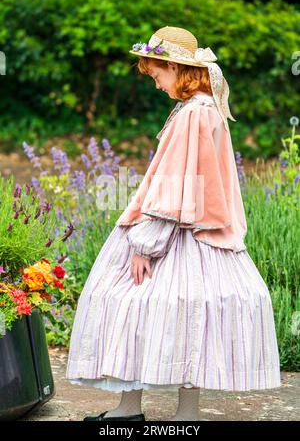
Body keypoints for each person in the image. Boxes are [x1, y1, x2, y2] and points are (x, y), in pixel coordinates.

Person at [65, 26, 281, 422]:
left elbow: (178, 184)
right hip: (197, 229)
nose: (156, 83)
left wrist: (146, 244)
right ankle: (177, 412)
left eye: (158, 75)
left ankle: (137, 410)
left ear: (177, 68)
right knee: (185, 313)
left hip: (177, 231)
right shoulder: (203, 109)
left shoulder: (193, 115)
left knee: (131, 305)